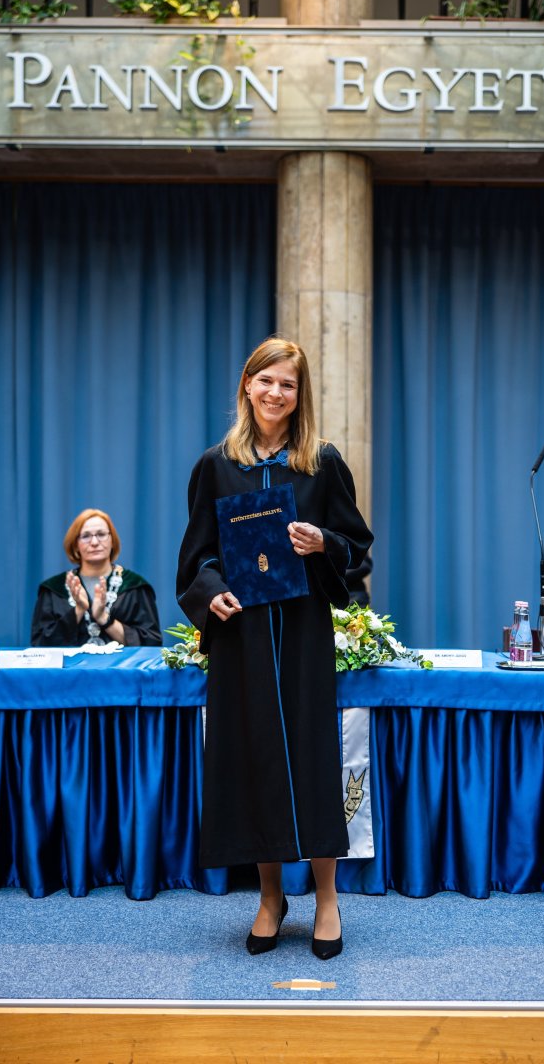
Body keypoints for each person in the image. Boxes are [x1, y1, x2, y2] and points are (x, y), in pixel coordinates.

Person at [176, 337, 373, 960]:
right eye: (266, 381)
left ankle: (326, 898)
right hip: (244, 637)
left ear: (299, 394)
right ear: (247, 384)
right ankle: (269, 898)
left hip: (303, 631)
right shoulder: (216, 465)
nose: (275, 393)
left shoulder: (322, 462)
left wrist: (324, 544)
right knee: (254, 758)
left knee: (312, 759)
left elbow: (357, 547)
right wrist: (211, 591)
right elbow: (198, 555)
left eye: (288, 384)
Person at [31, 509, 162, 648]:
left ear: (112, 541)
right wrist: (78, 610)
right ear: (75, 545)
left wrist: (104, 618)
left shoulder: (136, 587)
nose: (94, 542)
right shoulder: (53, 589)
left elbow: (151, 644)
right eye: (86, 536)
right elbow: (40, 646)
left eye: (101, 534)